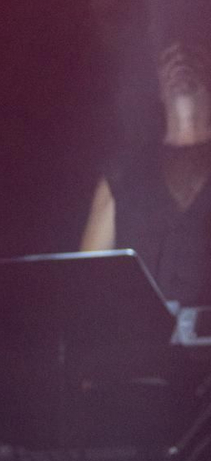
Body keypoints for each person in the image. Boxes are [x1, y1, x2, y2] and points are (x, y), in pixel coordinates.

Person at [79, 38, 211, 304]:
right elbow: (85, 279)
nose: (181, 61)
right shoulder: (122, 172)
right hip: (140, 342)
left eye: (192, 54)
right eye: (170, 56)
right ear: (158, 85)